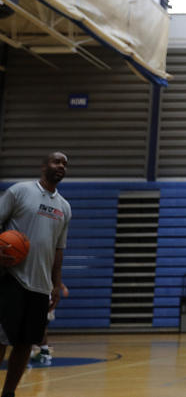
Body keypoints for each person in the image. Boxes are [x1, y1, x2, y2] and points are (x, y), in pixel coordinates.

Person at [0, 152, 72, 397]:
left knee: (24, 343)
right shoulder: (20, 191)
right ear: (44, 166)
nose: (61, 166)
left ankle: (8, 393)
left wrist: (56, 283)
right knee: (1, 339)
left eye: (64, 163)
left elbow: (58, 249)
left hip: (41, 286)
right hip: (12, 278)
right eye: (56, 161)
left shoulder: (64, 207)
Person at [30, 282, 69, 365]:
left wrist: (64, 288)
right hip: (41, 304)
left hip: (46, 306)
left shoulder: (48, 282)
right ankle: (39, 350)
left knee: (41, 329)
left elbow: (56, 282)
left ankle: (44, 352)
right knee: (37, 329)